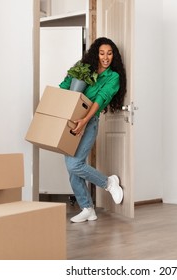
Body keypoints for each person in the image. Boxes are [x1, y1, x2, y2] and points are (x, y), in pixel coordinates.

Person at [59, 37, 127, 223]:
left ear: (114, 56)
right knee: (72, 169)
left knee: (75, 164)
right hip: (72, 120)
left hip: (89, 122)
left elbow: (100, 99)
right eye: (102, 53)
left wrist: (85, 120)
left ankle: (108, 183)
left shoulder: (113, 77)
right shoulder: (83, 68)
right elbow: (64, 87)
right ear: (96, 53)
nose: (106, 57)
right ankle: (87, 208)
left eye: (110, 53)